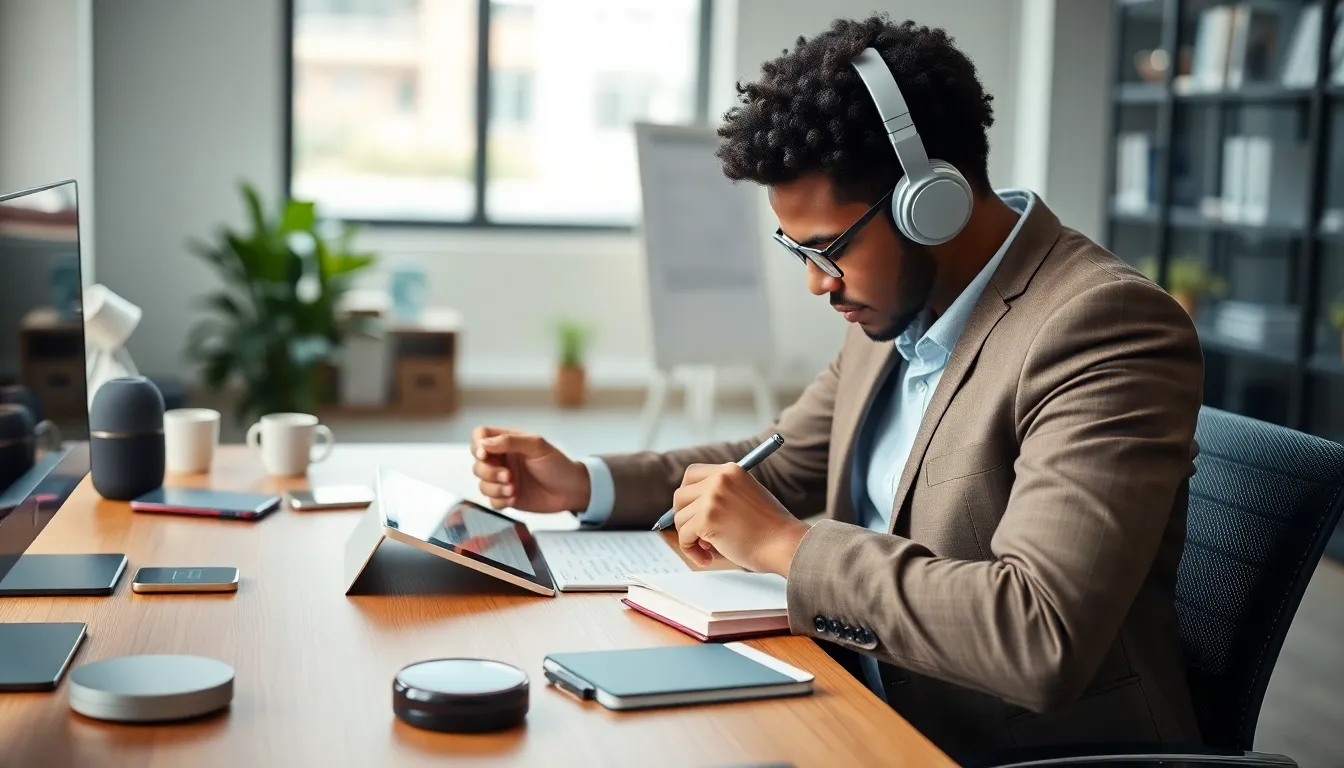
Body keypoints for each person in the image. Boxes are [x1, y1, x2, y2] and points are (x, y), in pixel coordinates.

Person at [471, 14, 1204, 760]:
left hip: (998, 750)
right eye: (798, 251)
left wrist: (789, 546)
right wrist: (582, 483)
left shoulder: (1103, 327)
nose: (819, 283)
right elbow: (780, 464)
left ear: (932, 201)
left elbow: (1037, 634)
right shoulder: (892, 310)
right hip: (849, 699)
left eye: (828, 248)